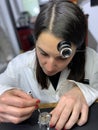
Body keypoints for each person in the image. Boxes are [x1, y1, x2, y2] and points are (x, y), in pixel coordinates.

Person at [0, 0, 98, 130]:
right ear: (35, 40)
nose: (50, 67)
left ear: (77, 47)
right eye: (43, 53)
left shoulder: (92, 60)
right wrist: (3, 95)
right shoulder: (19, 65)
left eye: (63, 57)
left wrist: (84, 92)